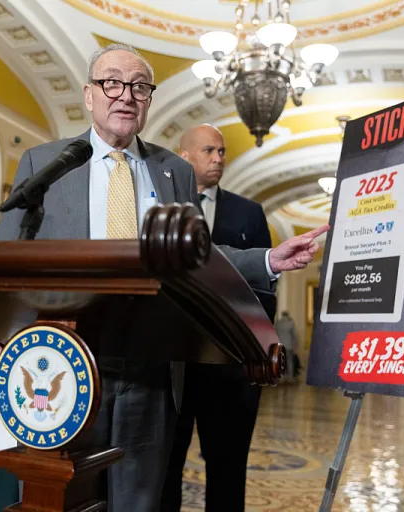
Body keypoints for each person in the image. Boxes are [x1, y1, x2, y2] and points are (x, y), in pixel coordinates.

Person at [0, 43, 328, 512]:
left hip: (152, 366)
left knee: (140, 500)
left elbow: (198, 256)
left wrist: (268, 258)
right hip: (67, 359)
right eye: (112, 83)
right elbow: (8, 255)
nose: (126, 95)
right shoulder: (48, 163)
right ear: (89, 95)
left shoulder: (175, 172)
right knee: (62, 496)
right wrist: (0, 324)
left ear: (149, 100)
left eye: (140, 86)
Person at [161, 123, 274, 512]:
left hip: (230, 369)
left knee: (227, 471)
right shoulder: (159, 208)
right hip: (170, 366)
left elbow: (264, 296)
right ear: (185, 156)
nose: (219, 159)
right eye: (209, 151)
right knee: (163, 468)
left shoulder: (249, 214)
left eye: (222, 152)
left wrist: (256, 355)